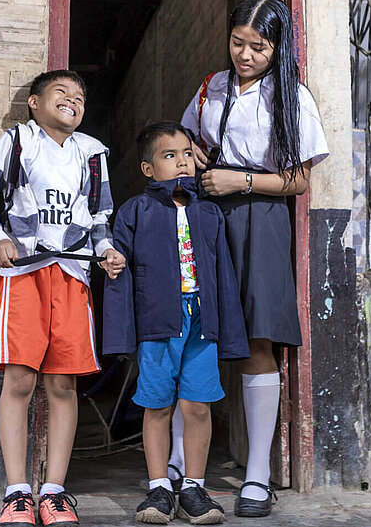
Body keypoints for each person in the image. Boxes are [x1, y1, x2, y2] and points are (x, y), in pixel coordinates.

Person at [177, 0, 329, 517]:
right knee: (195, 327)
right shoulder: (210, 88)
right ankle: (179, 460)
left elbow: (301, 179)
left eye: (258, 47)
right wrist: (197, 158)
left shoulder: (292, 97)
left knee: (257, 337)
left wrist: (238, 178)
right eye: (238, 43)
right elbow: (189, 142)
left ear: (277, 46)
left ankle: (258, 475)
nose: (245, 55)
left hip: (261, 216)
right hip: (209, 213)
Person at [0, 69, 126, 527]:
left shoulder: (91, 153)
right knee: (19, 380)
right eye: (62, 92)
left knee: (63, 384)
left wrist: (107, 250)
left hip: (72, 274)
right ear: (35, 103)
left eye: (80, 97)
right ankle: (17, 491)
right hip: (25, 273)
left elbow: (99, 217)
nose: (73, 101)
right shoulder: (20, 141)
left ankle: (54, 491)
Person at [104, 121, 249, 525]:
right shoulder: (135, 211)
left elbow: (223, 275)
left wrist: (229, 330)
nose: (183, 161)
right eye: (170, 156)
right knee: (158, 405)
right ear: (149, 169)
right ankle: (159, 489)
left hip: (201, 322)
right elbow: (121, 273)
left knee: (197, 406)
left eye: (187, 153)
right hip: (157, 322)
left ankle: (194, 487)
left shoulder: (208, 213)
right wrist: (122, 332)